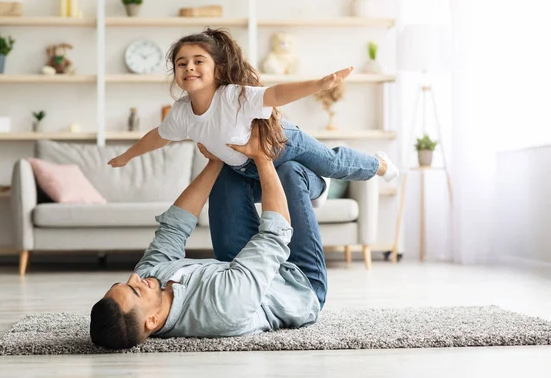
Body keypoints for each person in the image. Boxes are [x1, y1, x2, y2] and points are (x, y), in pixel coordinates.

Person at [107, 27, 398, 208]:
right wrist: (128, 156)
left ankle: (379, 164)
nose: (189, 68)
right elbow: (157, 137)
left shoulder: (233, 96)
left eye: (198, 61)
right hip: (248, 167)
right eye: (181, 64)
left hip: (284, 142)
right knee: (263, 192)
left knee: (333, 163)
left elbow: (276, 94)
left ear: (218, 70)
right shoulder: (182, 112)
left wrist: (318, 85)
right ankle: (314, 189)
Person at [90, 126, 322, 350]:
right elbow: (274, 236)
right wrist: (263, 158)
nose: (134, 277)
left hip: (239, 268)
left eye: (123, 282)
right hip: (298, 282)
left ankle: (270, 181)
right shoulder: (223, 307)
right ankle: (321, 185)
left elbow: (173, 228)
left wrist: (214, 162)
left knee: (227, 171)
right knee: (290, 172)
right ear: (151, 321)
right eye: (135, 290)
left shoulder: (149, 279)